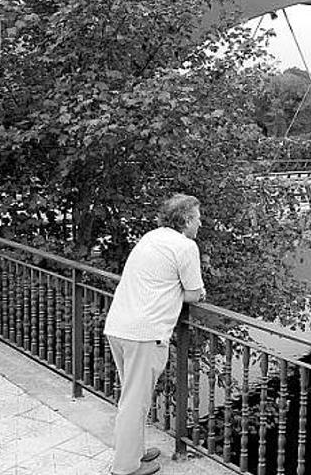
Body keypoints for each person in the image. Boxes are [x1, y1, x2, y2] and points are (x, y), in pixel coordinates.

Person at [104, 194, 206, 475]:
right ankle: (125, 468)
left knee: (133, 396)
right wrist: (191, 293)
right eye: (197, 217)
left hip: (118, 326)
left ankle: (135, 453)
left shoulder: (152, 236)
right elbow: (194, 293)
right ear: (186, 220)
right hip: (144, 333)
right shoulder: (186, 247)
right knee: (135, 402)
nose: (201, 223)